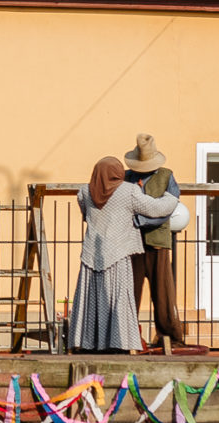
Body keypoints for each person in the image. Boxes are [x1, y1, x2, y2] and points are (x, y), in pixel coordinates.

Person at [67, 156, 150, 354]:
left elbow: (85, 214)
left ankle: (88, 342)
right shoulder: (129, 191)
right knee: (118, 298)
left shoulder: (85, 192)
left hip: (91, 254)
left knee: (90, 299)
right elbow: (153, 209)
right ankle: (119, 341)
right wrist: (171, 198)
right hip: (118, 254)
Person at [124, 134, 187, 351]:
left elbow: (169, 207)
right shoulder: (126, 178)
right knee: (129, 292)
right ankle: (127, 336)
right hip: (131, 243)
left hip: (157, 242)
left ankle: (169, 336)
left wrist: (141, 220)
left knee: (163, 293)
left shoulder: (167, 176)